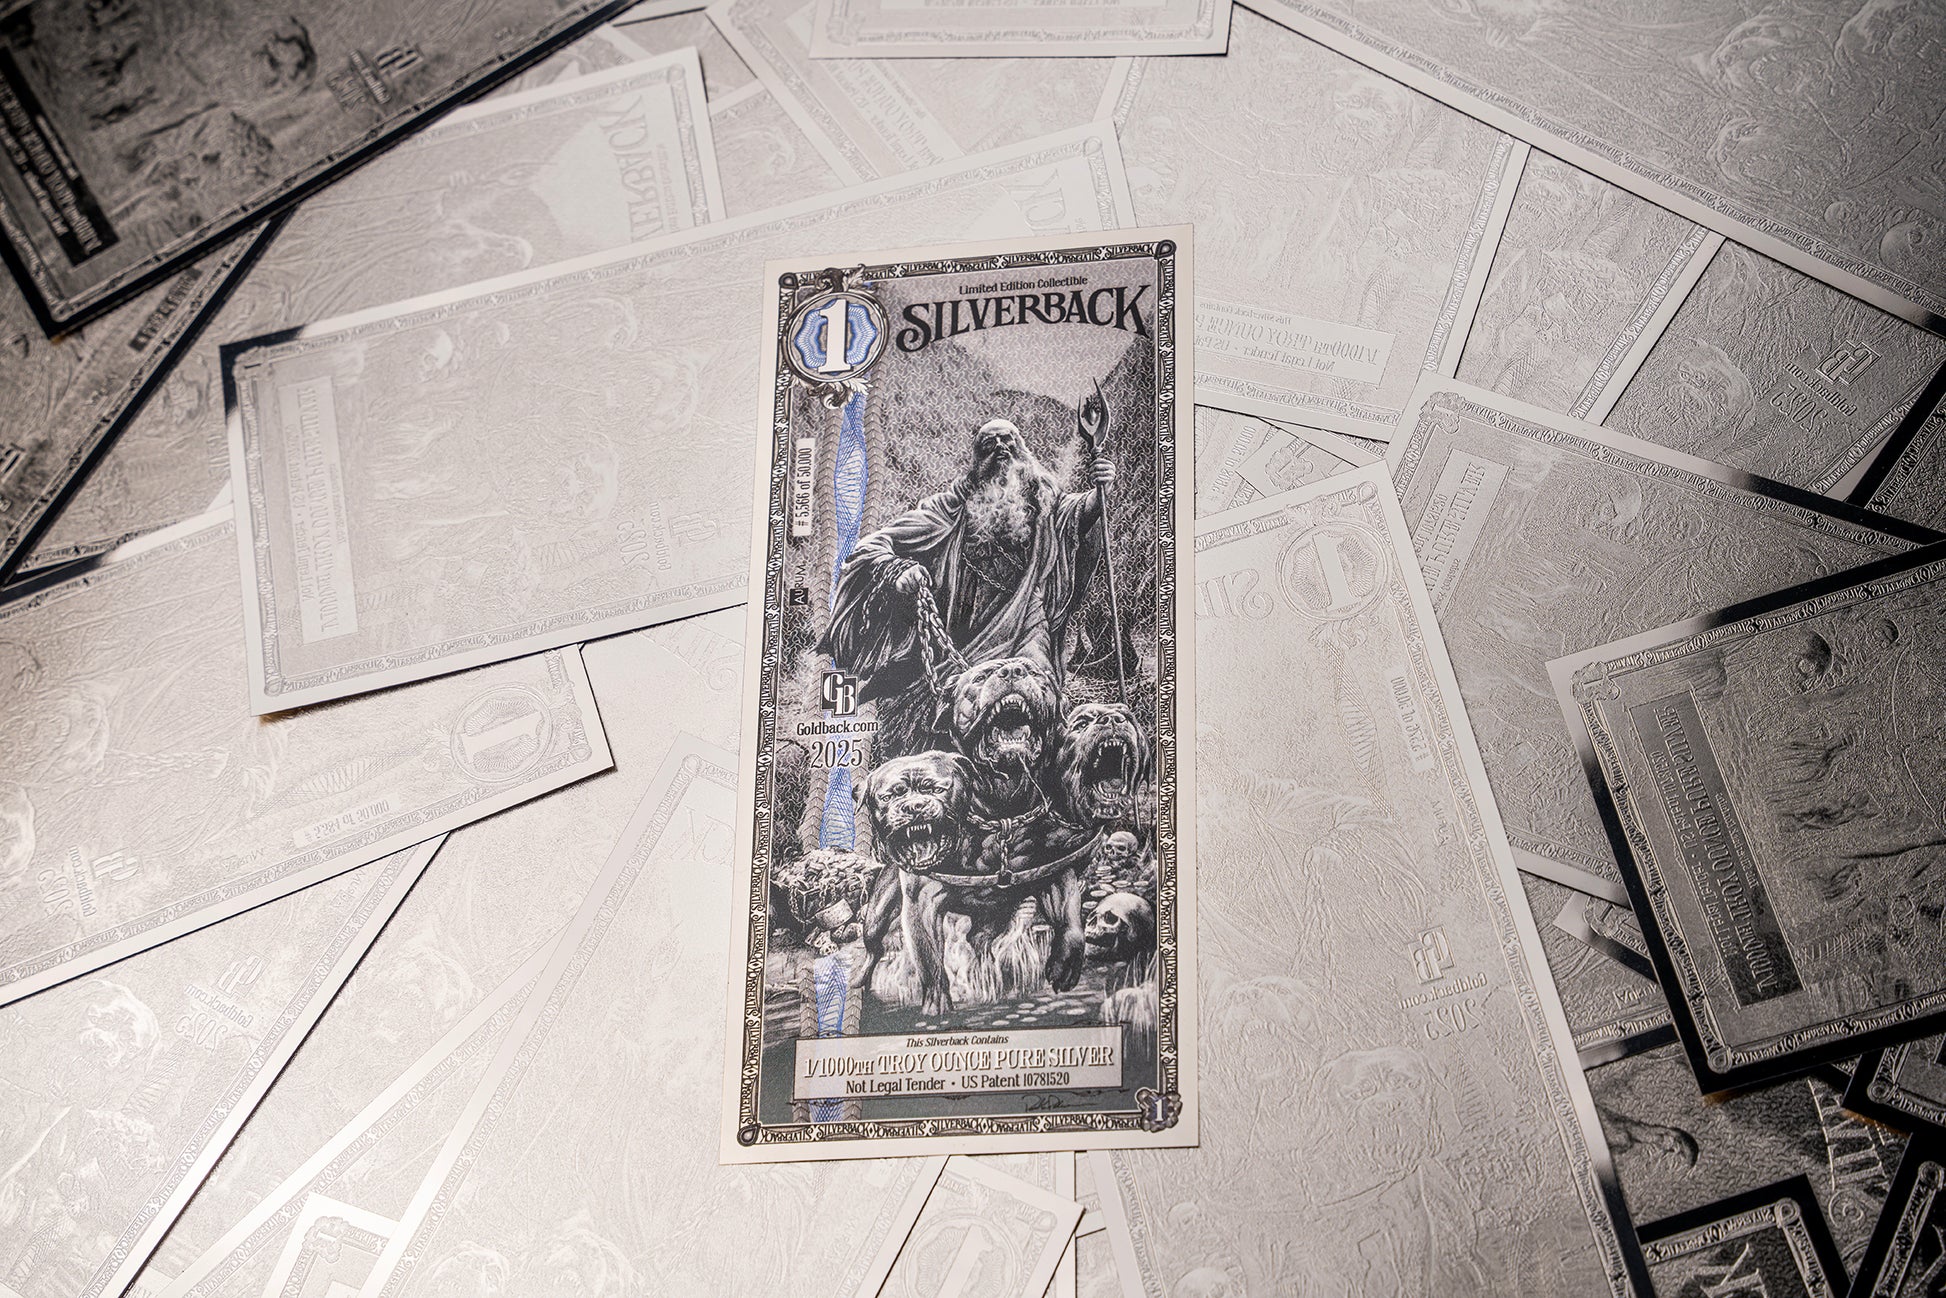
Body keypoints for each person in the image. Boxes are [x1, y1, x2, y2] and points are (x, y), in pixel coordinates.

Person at [821, 415, 1114, 756]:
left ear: (1022, 450)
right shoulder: (950, 508)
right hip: (963, 628)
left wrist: (1101, 488)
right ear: (976, 461)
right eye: (989, 445)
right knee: (963, 707)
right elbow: (872, 545)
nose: (1001, 449)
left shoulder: (1045, 500)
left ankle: (1043, 762)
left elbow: (1079, 515)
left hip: (1028, 619)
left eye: (1008, 441)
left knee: (1037, 682)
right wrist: (898, 569)